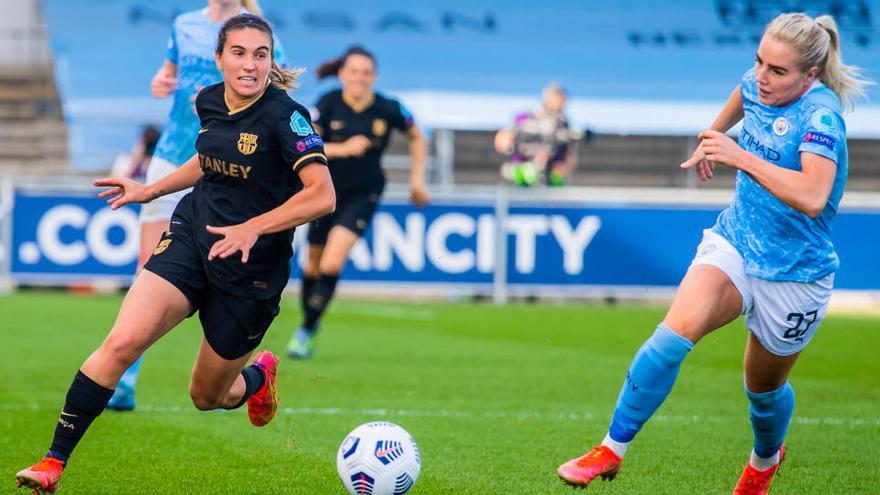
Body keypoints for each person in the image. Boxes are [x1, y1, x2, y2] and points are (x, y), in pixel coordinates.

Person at [15, 14, 334, 494]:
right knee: (122, 343)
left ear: (271, 60)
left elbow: (322, 195)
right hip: (192, 234)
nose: (250, 65)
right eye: (239, 53)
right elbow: (207, 160)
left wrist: (253, 228)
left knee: (208, 396)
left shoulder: (286, 116)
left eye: (261, 54)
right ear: (219, 58)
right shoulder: (207, 100)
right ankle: (52, 461)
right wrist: (152, 191)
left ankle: (257, 377)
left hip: (252, 272)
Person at [557, 13, 871, 494]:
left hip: (795, 272)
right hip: (736, 242)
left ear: (810, 75)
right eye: (759, 62)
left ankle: (764, 461)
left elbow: (812, 195)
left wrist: (739, 154)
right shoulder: (757, 84)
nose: (762, 76)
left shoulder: (821, 117)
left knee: (762, 394)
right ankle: (610, 450)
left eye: (778, 71)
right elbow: (736, 106)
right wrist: (711, 142)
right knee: (670, 337)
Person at [107, 0, 285, 411]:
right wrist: (162, 80)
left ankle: (234, 367)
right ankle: (125, 378)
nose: (248, 60)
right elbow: (168, 73)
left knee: (217, 272)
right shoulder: (183, 24)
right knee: (148, 266)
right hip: (173, 154)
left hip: (230, 165)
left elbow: (279, 88)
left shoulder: (256, 29)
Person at [285, 45, 430, 360]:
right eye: (354, 71)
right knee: (312, 266)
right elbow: (307, 145)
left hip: (364, 193)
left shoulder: (388, 108)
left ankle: (307, 330)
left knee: (332, 263)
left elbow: (418, 135)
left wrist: (417, 180)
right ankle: (310, 323)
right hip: (325, 193)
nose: (360, 78)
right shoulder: (328, 103)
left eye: (366, 73)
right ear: (342, 74)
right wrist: (342, 148)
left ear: (374, 76)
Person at [495, 82, 576, 187]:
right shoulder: (527, 118)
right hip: (524, 168)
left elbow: (566, 152)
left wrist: (562, 166)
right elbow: (504, 139)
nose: (558, 105)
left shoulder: (562, 124)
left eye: (561, 101)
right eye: (555, 99)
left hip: (550, 174)